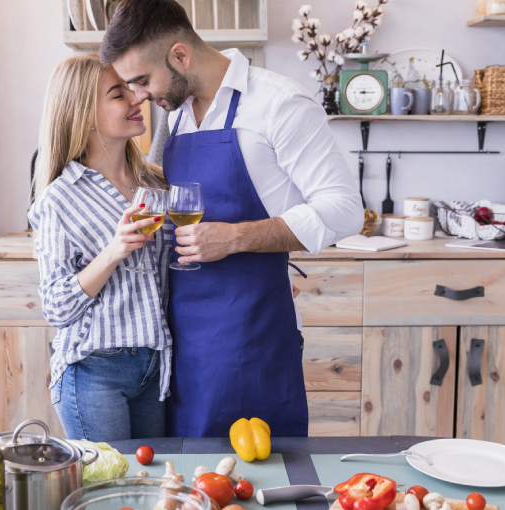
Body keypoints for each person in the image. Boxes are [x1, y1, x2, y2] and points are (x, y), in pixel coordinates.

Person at [100, 0, 365, 437]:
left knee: (259, 482)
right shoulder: (176, 117)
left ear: (181, 55)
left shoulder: (278, 103)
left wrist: (235, 238)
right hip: (184, 341)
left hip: (252, 334)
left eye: (143, 80)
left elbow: (344, 209)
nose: (140, 95)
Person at [28, 53, 173, 441]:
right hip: (94, 372)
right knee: (108, 493)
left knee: (150, 488)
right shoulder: (58, 200)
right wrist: (113, 252)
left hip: (156, 368)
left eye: (132, 88)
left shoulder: (159, 186)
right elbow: (57, 307)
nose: (136, 98)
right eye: (117, 93)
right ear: (85, 116)